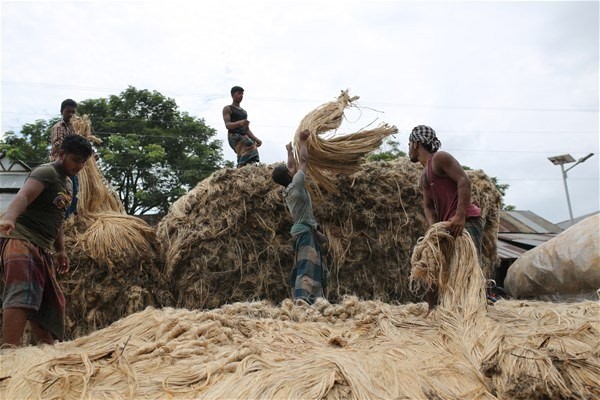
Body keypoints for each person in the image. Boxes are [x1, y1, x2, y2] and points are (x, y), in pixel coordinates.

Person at [0, 135, 93, 347]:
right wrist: (9, 219)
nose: (79, 166)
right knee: (21, 295)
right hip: (21, 239)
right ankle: (9, 353)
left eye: (83, 162)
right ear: (61, 154)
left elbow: (57, 218)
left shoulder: (67, 184)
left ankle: (47, 352)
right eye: (76, 160)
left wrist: (61, 251)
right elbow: (23, 196)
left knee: (47, 303)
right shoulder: (46, 172)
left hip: (41, 246)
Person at [408, 125, 484, 309]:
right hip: (446, 227)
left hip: (465, 222)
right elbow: (428, 206)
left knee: (468, 270)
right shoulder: (424, 175)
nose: (408, 148)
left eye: (409, 143)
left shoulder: (440, 158)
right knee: (434, 267)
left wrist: (459, 216)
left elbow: (463, 181)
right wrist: (435, 229)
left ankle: (476, 310)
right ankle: (434, 311)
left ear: (416, 143)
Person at [271, 130, 329, 305]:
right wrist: (302, 142)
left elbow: (292, 167)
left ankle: (315, 300)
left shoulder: (287, 189)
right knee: (306, 266)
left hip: (302, 231)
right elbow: (303, 161)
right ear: (289, 175)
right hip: (305, 233)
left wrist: (289, 150)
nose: (292, 170)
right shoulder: (296, 184)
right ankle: (302, 299)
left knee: (314, 266)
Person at [50, 99, 80, 219]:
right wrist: (76, 149)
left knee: (74, 192)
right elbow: (59, 145)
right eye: (68, 111)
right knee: (64, 193)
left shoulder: (74, 128)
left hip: (71, 167)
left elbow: (80, 142)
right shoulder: (58, 127)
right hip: (60, 166)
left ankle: (68, 220)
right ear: (62, 111)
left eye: (73, 112)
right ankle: (61, 220)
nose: (71, 114)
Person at [222, 86, 262, 167]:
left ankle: (247, 167)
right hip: (234, 136)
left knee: (252, 146)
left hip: (243, 135)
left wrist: (256, 139)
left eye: (242, 94)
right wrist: (239, 123)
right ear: (233, 95)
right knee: (249, 144)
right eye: (239, 93)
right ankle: (240, 167)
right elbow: (227, 125)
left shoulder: (244, 112)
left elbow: (247, 129)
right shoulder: (228, 108)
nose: (241, 95)